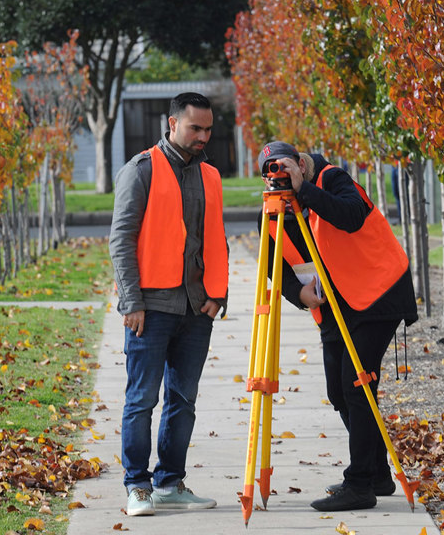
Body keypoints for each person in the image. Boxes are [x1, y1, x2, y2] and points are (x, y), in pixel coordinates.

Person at [257, 141, 418, 512]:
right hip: (334, 306)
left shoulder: (332, 178)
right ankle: (377, 474)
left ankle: (359, 484)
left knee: (357, 385)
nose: (278, 176)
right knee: (339, 392)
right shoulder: (273, 206)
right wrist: (298, 294)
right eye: (271, 172)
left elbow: (351, 216)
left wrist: (305, 191)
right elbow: (272, 263)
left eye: (284, 168)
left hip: (377, 295)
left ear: (300, 164)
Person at [109, 92, 228, 517]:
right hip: (151, 308)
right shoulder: (140, 170)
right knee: (142, 400)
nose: (203, 136)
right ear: (172, 123)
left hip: (197, 309)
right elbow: (121, 240)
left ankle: (170, 483)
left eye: (208, 129)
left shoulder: (211, 175)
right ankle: (137, 486)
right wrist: (131, 301)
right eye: (195, 128)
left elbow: (216, 238)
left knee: (183, 400)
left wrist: (218, 295)